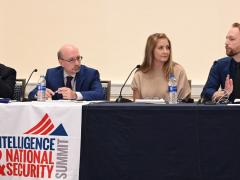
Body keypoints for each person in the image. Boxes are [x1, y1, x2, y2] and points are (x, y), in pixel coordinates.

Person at [28, 44, 104, 100]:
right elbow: (31, 94)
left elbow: (100, 94)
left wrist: (75, 95)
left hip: (82, 117)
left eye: (78, 58)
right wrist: (39, 94)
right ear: (61, 62)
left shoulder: (91, 74)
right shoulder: (52, 74)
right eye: (71, 60)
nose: (77, 63)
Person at [131, 33, 191, 101]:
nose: (165, 51)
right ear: (150, 51)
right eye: (161, 48)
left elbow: (185, 105)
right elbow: (136, 108)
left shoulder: (178, 71)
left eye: (168, 48)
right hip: (147, 112)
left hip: (172, 111)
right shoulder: (139, 75)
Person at [201, 22, 240, 103]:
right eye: (226, 38)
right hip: (228, 114)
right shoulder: (220, 65)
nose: (226, 42)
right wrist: (223, 94)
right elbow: (206, 93)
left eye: (231, 39)